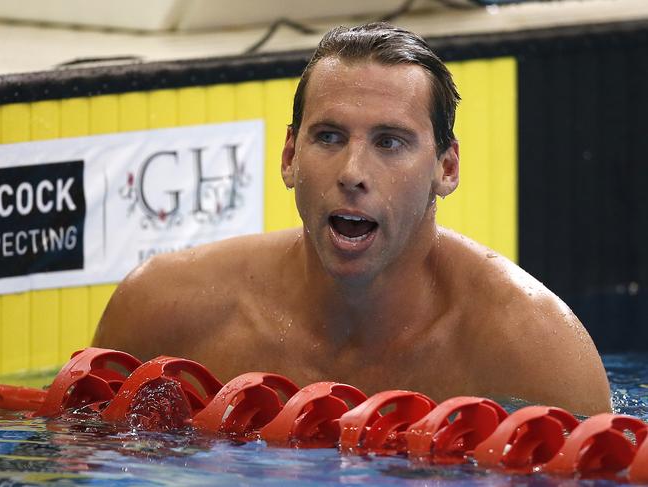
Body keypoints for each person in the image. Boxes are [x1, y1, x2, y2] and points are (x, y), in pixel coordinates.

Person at [92, 22, 611, 415]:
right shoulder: (165, 312)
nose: (353, 172)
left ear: (446, 168)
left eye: (389, 142)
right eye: (329, 137)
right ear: (290, 156)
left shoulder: (537, 355)